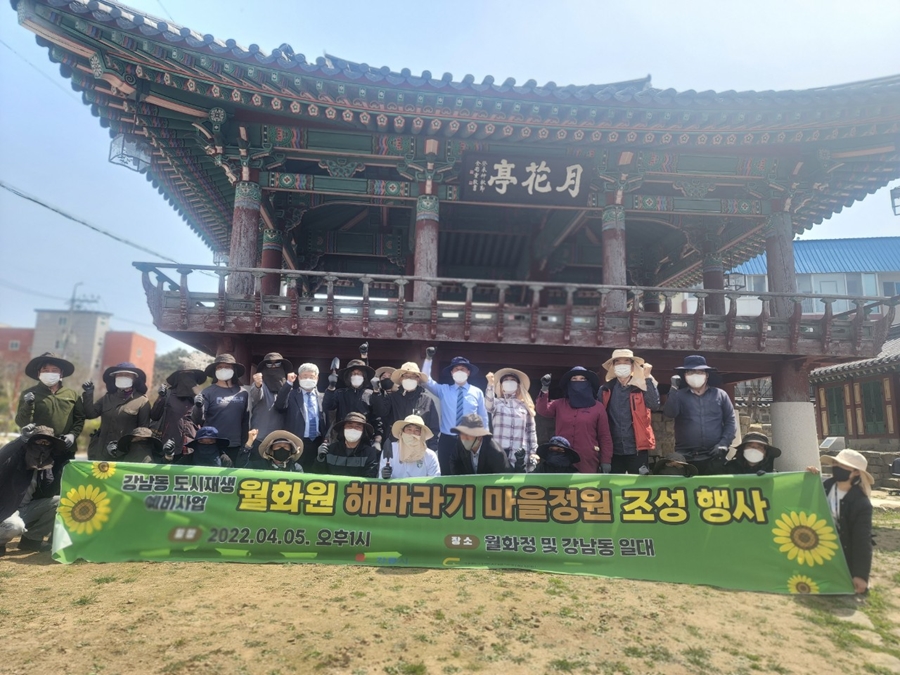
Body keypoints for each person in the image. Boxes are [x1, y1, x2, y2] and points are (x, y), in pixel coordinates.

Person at [808, 450, 873, 595]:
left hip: (842, 551)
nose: (836, 467)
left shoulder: (861, 503)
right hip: (817, 545)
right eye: (835, 463)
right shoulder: (824, 486)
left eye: (842, 465)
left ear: (856, 472)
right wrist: (808, 478)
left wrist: (861, 575)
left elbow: (862, 539)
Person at [662, 355, 736, 475]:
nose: (695, 375)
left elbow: (730, 421)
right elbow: (670, 413)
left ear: (706, 375)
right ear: (685, 375)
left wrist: (724, 443)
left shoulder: (720, 395)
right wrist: (674, 388)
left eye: (699, 372)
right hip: (685, 456)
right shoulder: (679, 395)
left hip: (714, 455)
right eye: (691, 372)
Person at [0, 425, 67, 555]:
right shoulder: (15, 458)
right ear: (30, 442)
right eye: (39, 441)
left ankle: (31, 540)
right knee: (15, 526)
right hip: (4, 509)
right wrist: (20, 439)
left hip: (25, 509)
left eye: (46, 443)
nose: (42, 446)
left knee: (62, 502)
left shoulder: (45, 464)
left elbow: (48, 492)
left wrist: (60, 469)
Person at [420, 347, 487, 475]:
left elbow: (483, 417)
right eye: (456, 369)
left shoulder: (477, 392)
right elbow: (425, 380)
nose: (459, 371)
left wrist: (483, 441)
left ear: (468, 372)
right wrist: (428, 359)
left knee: (469, 474)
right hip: (447, 440)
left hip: (470, 439)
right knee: (446, 474)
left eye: (463, 369)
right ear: (451, 373)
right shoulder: (443, 390)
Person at [536, 367, 613, 474]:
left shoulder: (598, 407)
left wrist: (606, 461)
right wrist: (544, 388)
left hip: (587, 459)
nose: (578, 382)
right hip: (561, 457)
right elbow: (542, 410)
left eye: (582, 379)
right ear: (569, 383)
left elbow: (604, 436)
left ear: (588, 383)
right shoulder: (559, 404)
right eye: (574, 379)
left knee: (587, 485)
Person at [598, 349, 659, 475]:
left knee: (639, 486)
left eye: (626, 362)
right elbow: (599, 417)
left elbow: (654, 405)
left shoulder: (642, 386)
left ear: (632, 366)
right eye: (618, 362)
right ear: (613, 366)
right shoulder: (605, 389)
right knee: (612, 485)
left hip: (637, 449)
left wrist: (647, 378)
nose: (622, 365)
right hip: (612, 450)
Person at [16, 352, 84, 452]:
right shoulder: (29, 394)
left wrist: (72, 435)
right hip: (36, 448)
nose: (50, 373)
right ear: (39, 373)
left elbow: (79, 419)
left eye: (54, 370)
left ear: (61, 373)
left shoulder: (73, 395)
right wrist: (28, 404)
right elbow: (21, 422)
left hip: (64, 447)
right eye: (45, 370)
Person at [83, 362, 151, 461]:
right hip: (102, 451)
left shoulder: (142, 401)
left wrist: (121, 447)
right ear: (114, 378)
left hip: (126, 454)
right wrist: (88, 394)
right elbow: (90, 414)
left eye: (127, 375)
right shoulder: (107, 398)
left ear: (134, 378)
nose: (123, 377)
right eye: (119, 375)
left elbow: (143, 432)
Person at [192, 354, 249, 465]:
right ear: (215, 371)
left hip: (235, 445)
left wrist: (245, 444)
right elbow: (197, 420)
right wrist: (198, 407)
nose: (223, 369)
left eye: (227, 367)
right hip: (213, 445)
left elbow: (245, 420)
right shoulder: (207, 392)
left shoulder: (243, 393)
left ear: (234, 370)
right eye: (219, 367)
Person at [371, 362, 440, 452]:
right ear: (401, 379)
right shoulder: (392, 398)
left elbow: (433, 428)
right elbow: (381, 412)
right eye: (406, 376)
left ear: (418, 379)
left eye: (413, 377)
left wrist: (431, 449)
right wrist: (376, 392)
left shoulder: (427, 400)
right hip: (396, 446)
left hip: (419, 448)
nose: (409, 379)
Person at [274, 362, 327, 470]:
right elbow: (279, 406)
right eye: (305, 376)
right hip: (297, 442)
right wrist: (288, 383)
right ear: (299, 378)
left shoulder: (322, 397)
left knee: (316, 471)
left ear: (317, 378)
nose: (308, 379)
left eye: (311, 377)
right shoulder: (291, 394)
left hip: (317, 442)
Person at [323, 358, 383, 451]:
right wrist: (331, 387)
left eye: (359, 374)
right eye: (353, 374)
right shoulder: (340, 393)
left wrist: (377, 440)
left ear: (364, 376)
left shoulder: (371, 394)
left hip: (365, 439)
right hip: (342, 438)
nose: (356, 376)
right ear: (348, 376)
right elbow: (328, 406)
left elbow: (378, 417)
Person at [485, 368, 538, 471]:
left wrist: (533, 452)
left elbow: (531, 431)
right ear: (501, 385)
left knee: (518, 480)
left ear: (518, 385)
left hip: (520, 454)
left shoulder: (525, 406)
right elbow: (488, 405)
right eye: (506, 380)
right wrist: (490, 384)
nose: (509, 382)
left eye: (513, 380)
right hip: (499, 451)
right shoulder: (497, 403)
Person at [150, 367, 206, 463]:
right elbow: (155, 415)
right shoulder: (168, 394)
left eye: (190, 375)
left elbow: (200, 421)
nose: (187, 378)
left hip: (191, 444)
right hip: (169, 443)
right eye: (183, 375)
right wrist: (161, 397)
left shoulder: (200, 396)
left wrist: (199, 406)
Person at [314, 412, 379, 478]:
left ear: (363, 431)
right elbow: (318, 476)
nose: (353, 429)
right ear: (343, 429)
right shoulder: (331, 450)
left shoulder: (369, 453)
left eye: (358, 427)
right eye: (349, 426)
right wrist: (320, 459)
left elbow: (370, 477)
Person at [379, 415, 441, 479]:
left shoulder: (430, 456)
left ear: (422, 434)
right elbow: (381, 480)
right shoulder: (390, 449)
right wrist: (384, 476)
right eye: (409, 429)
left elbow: (434, 482)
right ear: (402, 432)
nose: (412, 433)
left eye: (417, 430)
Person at [249, 352, 292, 442]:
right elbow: (255, 396)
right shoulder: (260, 385)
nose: (273, 367)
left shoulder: (288, 387)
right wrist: (257, 385)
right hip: (259, 437)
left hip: (281, 440)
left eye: (277, 364)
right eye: (269, 364)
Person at [106, 427, 174, 463]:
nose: (140, 445)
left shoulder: (156, 460)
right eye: (136, 441)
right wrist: (111, 455)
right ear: (129, 443)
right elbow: (109, 469)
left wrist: (169, 454)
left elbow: (165, 464)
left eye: (144, 441)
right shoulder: (121, 460)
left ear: (151, 444)